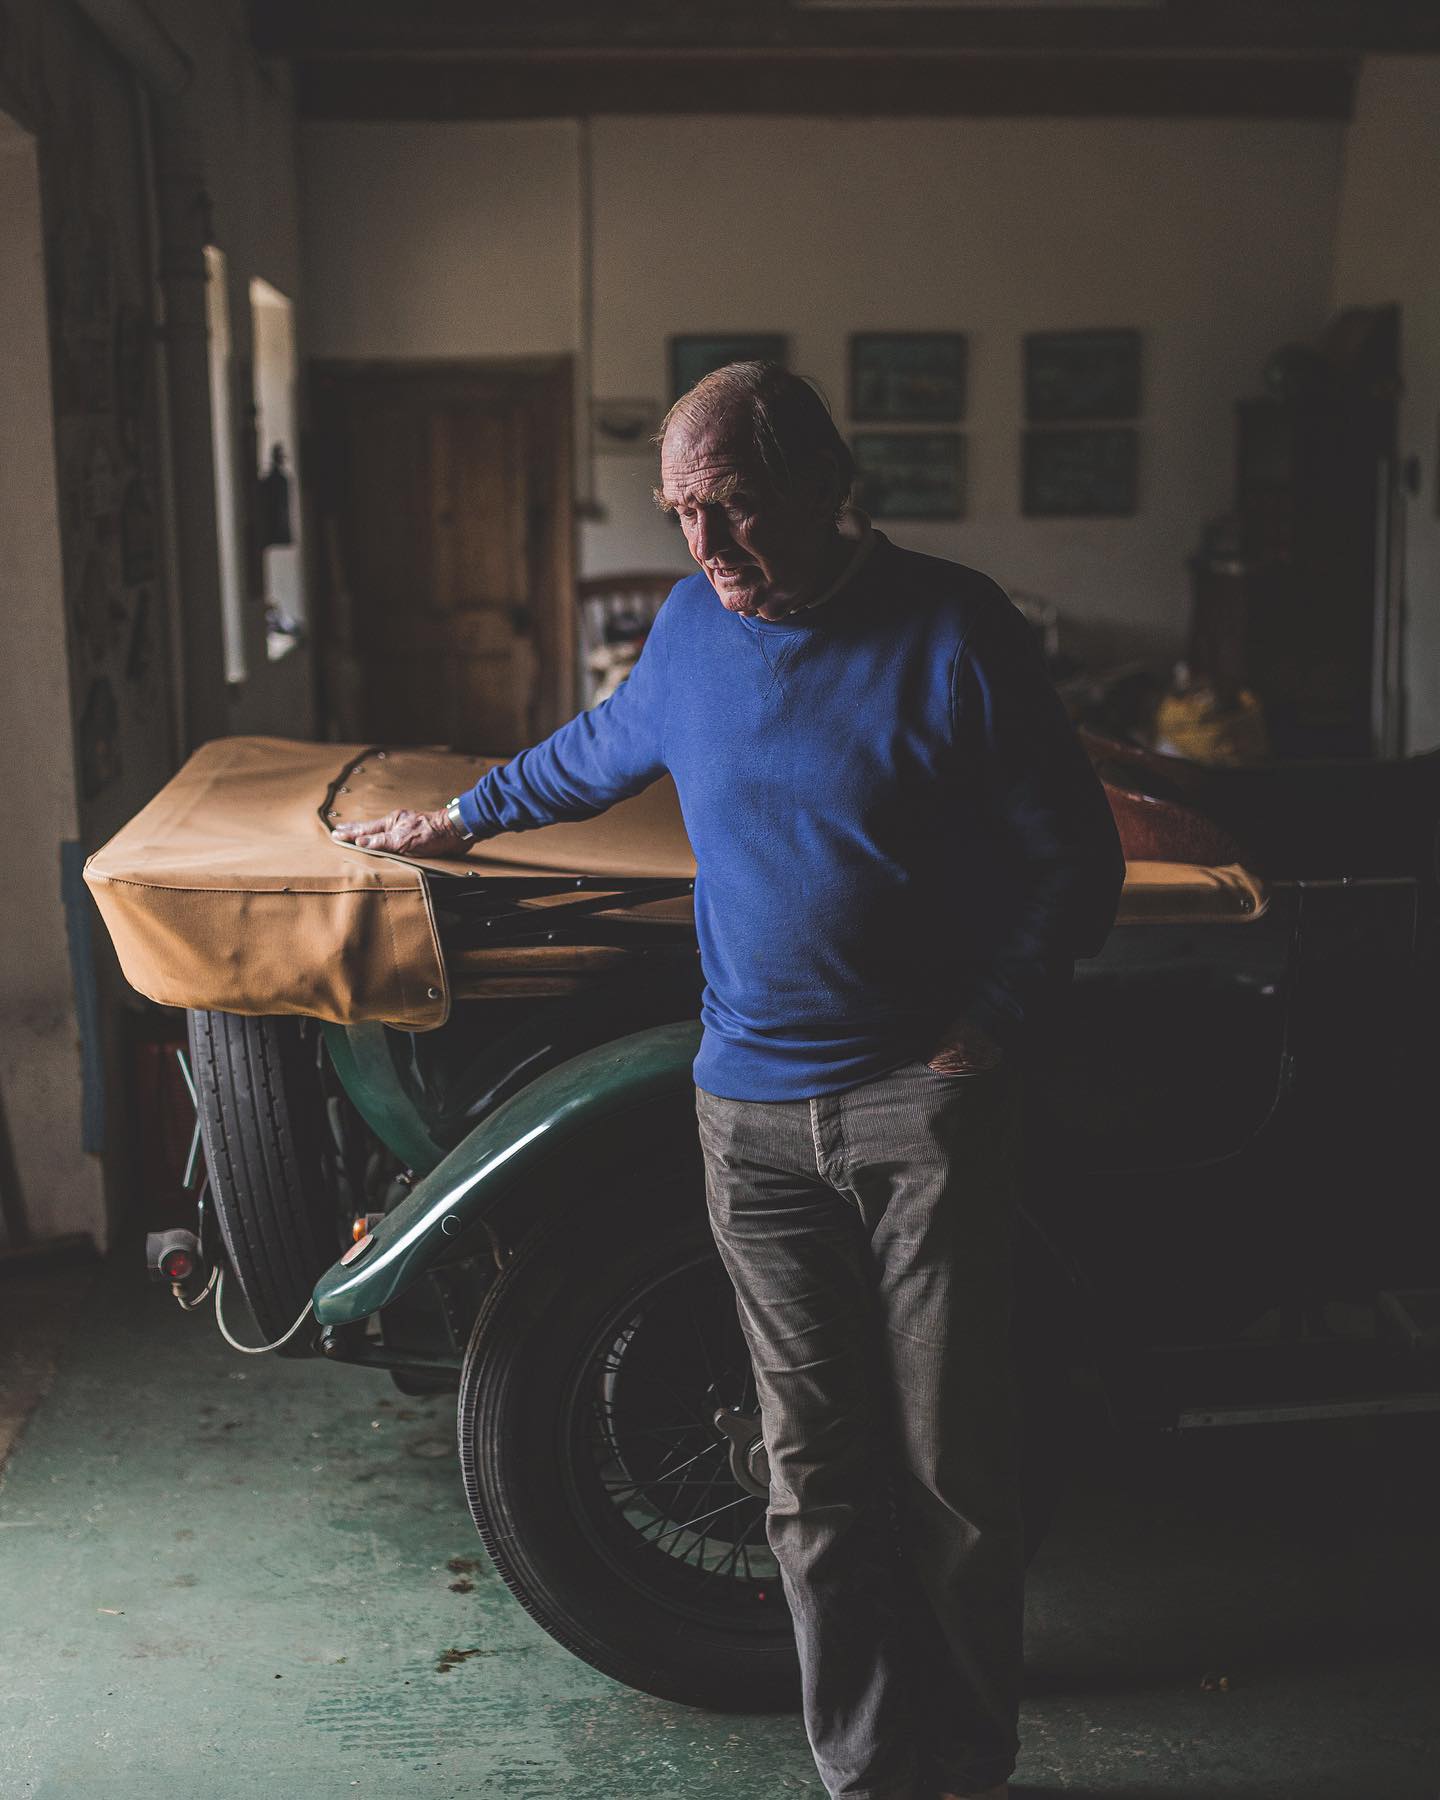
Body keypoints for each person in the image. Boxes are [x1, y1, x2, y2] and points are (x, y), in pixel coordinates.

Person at [333, 361, 1125, 1800]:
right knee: (810, 1480)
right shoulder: (695, 626)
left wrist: (990, 1026)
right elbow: (596, 751)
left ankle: (964, 1768)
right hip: (749, 1117)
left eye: (736, 504)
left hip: (917, 1108)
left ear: (826, 486)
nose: (705, 543)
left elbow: (1075, 855)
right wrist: (456, 819)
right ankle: (868, 1775)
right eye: (681, 512)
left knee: (950, 1476)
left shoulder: (953, 628)